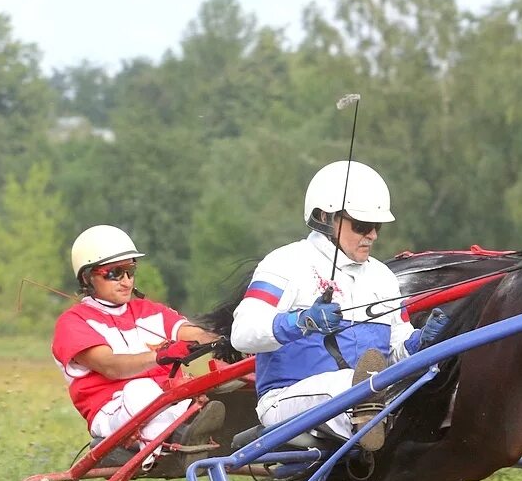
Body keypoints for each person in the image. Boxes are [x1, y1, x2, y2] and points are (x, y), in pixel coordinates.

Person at [230, 160, 425, 453]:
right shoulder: (285, 263)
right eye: (362, 225)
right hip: (287, 398)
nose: (372, 235)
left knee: (421, 381)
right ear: (325, 217)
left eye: (377, 226)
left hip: (370, 390)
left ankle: (375, 420)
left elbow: (397, 350)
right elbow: (242, 334)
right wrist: (300, 322)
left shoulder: (383, 277)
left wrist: (421, 342)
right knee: (356, 385)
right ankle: (371, 422)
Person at [52, 224, 225, 452]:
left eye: (130, 271)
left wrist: (227, 337)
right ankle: (179, 432)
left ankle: (183, 425)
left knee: (223, 385)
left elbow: (194, 334)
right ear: (87, 277)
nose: (127, 282)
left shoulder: (150, 310)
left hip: (166, 401)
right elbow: (112, 367)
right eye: (114, 273)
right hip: (114, 414)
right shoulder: (73, 323)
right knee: (140, 389)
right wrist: (160, 356)